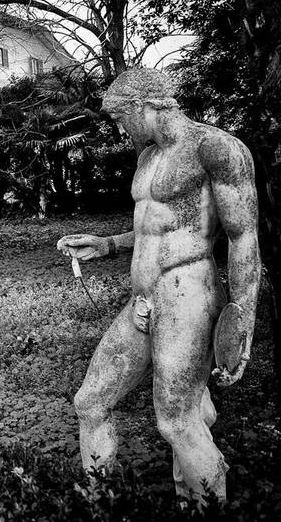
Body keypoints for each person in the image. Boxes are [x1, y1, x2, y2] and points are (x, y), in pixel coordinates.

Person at [56, 68, 261, 505]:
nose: (119, 127)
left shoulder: (216, 148)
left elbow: (243, 236)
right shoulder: (148, 158)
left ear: (143, 106)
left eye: (119, 117)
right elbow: (158, 226)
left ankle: (209, 505)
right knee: (90, 401)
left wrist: (241, 318)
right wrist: (108, 244)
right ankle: (100, 503)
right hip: (141, 300)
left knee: (177, 420)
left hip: (188, 293)